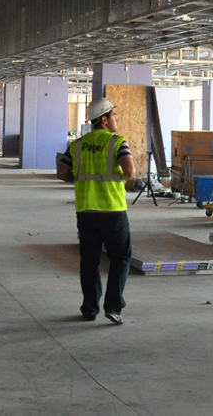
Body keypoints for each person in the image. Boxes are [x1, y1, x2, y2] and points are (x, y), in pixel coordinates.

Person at [61, 97, 135, 324]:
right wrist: (121, 179)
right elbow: (130, 170)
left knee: (90, 261)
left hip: (85, 211)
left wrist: (82, 181)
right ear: (104, 119)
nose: (116, 119)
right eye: (113, 115)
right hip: (112, 210)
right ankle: (113, 307)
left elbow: (62, 173)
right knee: (120, 258)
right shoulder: (117, 142)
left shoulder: (76, 145)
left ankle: (90, 308)